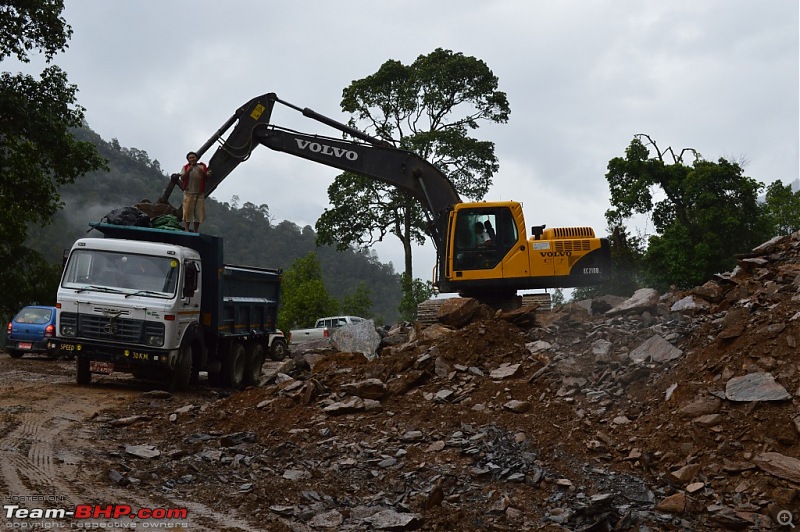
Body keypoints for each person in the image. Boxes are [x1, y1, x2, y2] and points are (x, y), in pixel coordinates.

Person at [178, 151, 211, 232]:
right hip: (189, 192)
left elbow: (208, 177)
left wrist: (203, 173)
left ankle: (196, 230)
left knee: (198, 213)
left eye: (193, 157)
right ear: (188, 160)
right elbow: (182, 178)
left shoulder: (202, 166)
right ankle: (186, 229)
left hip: (199, 193)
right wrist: (188, 171)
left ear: (196, 158)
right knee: (187, 212)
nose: (192, 159)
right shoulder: (185, 167)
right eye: (190, 158)